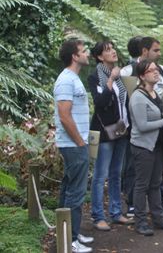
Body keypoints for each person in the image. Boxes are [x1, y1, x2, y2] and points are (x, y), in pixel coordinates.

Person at [121, 36, 163, 216]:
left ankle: (159, 206)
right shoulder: (127, 72)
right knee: (136, 171)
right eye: (156, 50)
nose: (159, 54)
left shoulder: (162, 71)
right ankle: (136, 209)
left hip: (157, 133)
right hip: (138, 131)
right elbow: (125, 102)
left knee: (156, 176)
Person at [128, 59, 163, 236]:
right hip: (143, 146)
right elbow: (141, 125)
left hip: (157, 145)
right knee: (142, 184)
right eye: (151, 71)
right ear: (142, 76)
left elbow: (157, 117)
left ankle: (158, 218)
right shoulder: (138, 97)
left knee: (156, 183)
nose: (156, 72)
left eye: (156, 70)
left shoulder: (155, 94)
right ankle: (140, 221)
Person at [53, 39, 94, 253]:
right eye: (83, 50)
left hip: (76, 143)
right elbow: (64, 115)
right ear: (74, 56)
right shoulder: (65, 80)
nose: (87, 53)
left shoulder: (73, 79)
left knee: (70, 188)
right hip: (73, 144)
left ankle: (71, 235)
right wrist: (79, 141)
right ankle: (69, 241)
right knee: (76, 192)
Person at [88, 41, 132, 232]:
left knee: (116, 173)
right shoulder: (95, 77)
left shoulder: (121, 76)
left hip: (122, 129)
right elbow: (100, 102)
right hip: (105, 132)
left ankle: (116, 212)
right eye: (107, 50)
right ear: (99, 56)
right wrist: (111, 80)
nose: (113, 51)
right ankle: (98, 216)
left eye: (113, 48)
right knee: (101, 175)